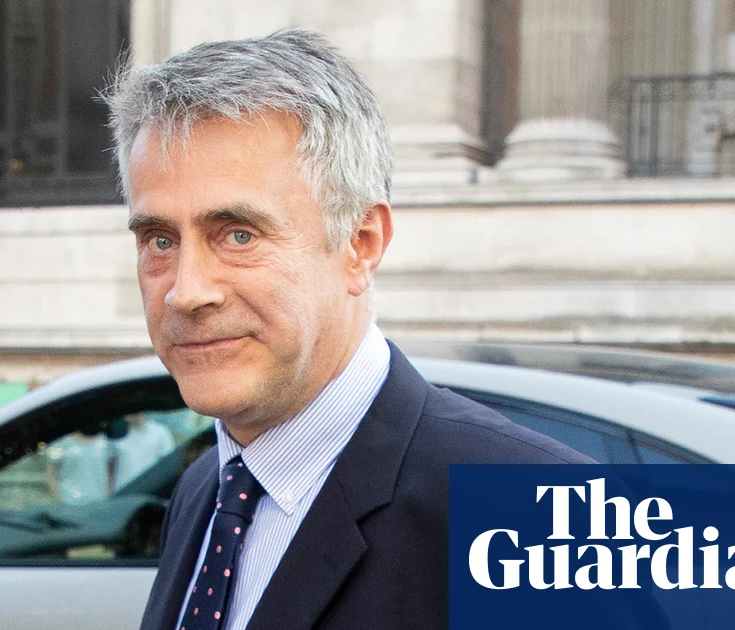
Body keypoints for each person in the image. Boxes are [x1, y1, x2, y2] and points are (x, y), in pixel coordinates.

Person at [107, 30, 597, 630]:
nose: (186, 291)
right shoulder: (204, 489)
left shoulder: (540, 517)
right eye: (160, 240)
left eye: (239, 235)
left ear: (361, 245)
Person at [112, 413, 176, 489]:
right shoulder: (115, 434)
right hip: (122, 490)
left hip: (149, 490)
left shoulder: (160, 433)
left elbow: (168, 466)